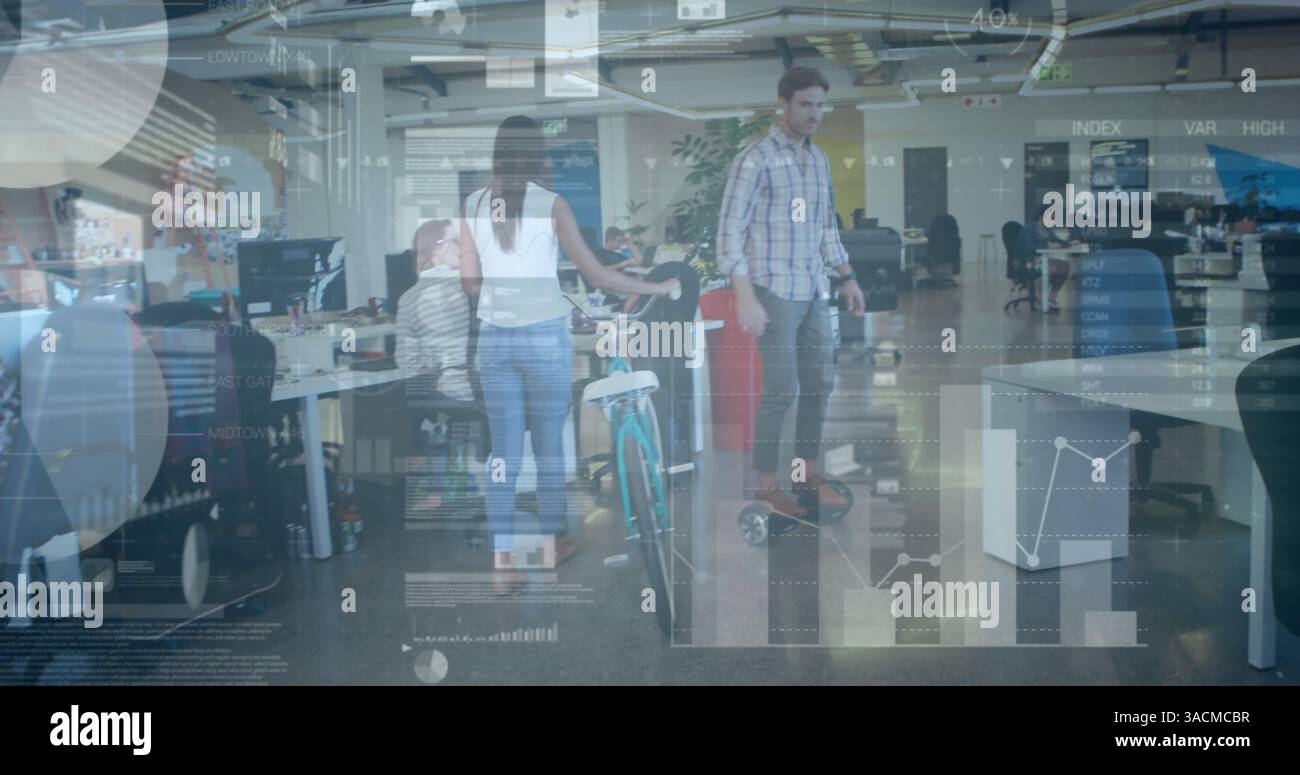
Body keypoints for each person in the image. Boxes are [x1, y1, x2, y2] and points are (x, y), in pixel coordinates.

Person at [458, 115, 679, 581]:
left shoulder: (474, 204)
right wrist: (659, 288)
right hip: (543, 338)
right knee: (548, 448)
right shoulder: (552, 205)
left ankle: (502, 564)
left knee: (504, 452)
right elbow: (597, 275)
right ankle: (551, 542)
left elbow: (471, 284)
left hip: (494, 341)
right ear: (540, 153)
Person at [716, 66, 866, 519]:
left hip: (813, 289)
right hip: (774, 290)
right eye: (805, 104)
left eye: (820, 105)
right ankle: (766, 487)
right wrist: (744, 295)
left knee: (819, 384)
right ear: (783, 104)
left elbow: (826, 228)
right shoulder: (754, 159)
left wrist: (847, 276)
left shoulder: (818, 160)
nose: (814, 113)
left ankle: (805, 476)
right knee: (781, 390)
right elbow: (728, 233)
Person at [395, 219, 477, 513]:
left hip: (451, 395)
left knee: (423, 407)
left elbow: (405, 363)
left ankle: (440, 489)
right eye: (457, 243)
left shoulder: (409, 299)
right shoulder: (478, 288)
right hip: (494, 392)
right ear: (438, 250)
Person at [1012, 203, 1071, 313]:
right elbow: (1030, 248)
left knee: (1065, 266)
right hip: (1024, 262)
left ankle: (1051, 298)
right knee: (1052, 268)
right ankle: (1040, 299)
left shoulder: (1048, 230)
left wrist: (1070, 243)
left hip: (1039, 260)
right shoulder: (1029, 229)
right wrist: (1048, 246)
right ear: (1041, 216)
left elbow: (1059, 241)